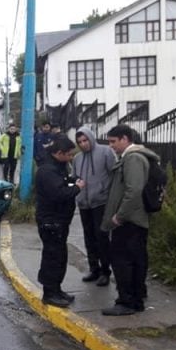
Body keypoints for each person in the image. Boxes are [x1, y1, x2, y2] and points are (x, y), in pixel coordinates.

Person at [100, 124, 161, 316]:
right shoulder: (135, 157)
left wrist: (119, 216)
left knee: (123, 261)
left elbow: (133, 190)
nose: (111, 146)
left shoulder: (133, 158)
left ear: (125, 139)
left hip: (129, 221)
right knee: (137, 259)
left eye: (113, 142)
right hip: (136, 220)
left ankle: (126, 301)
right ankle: (136, 297)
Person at [35, 133, 85, 307]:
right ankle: (49, 292)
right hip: (51, 221)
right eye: (69, 154)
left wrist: (71, 180)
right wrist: (77, 188)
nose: (71, 157)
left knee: (60, 256)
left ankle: (57, 289)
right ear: (59, 153)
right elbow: (58, 194)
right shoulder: (47, 170)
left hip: (59, 221)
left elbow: (62, 182)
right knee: (53, 257)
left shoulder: (57, 167)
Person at [73, 126, 116, 287]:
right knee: (89, 236)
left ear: (91, 138)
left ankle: (106, 271)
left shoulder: (105, 152)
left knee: (102, 236)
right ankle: (94, 268)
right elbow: (75, 177)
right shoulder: (77, 158)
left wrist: (108, 194)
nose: (83, 144)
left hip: (101, 202)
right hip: (84, 203)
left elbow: (114, 174)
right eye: (80, 142)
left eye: (85, 140)